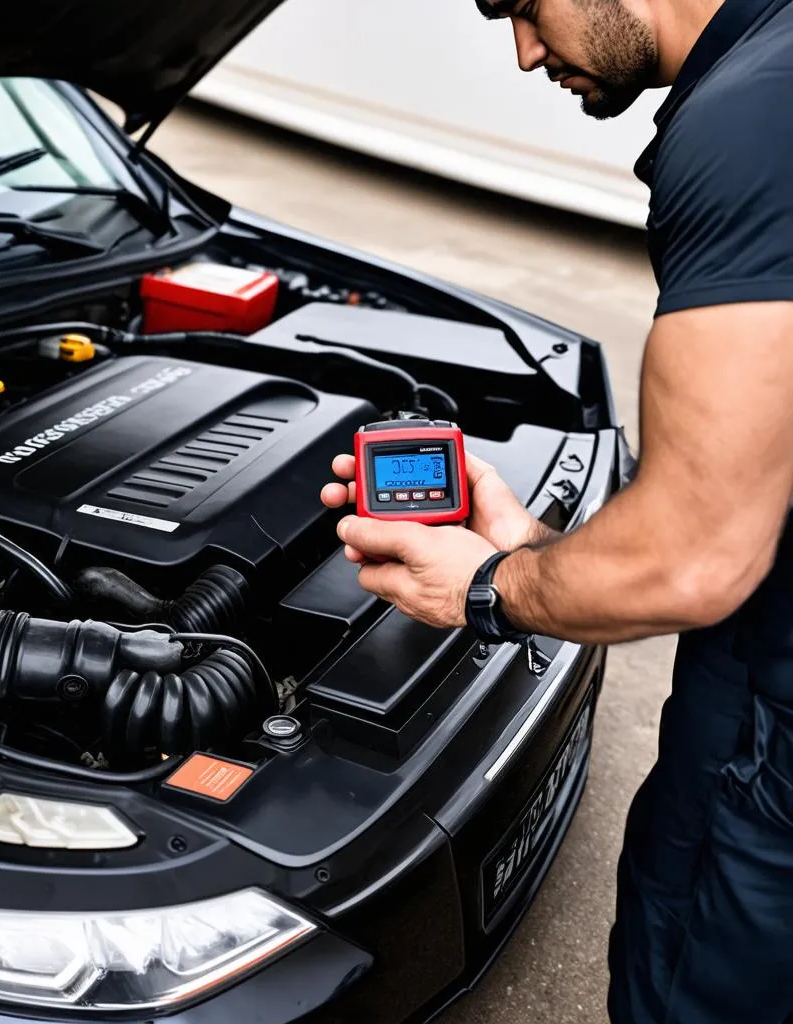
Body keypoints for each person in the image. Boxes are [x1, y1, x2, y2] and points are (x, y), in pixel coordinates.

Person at [320, 0, 793, 1021]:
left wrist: (487, 587)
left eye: (524, 6)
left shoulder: (753, 122)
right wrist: (540, 546)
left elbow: (694, 561)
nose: (527, 51)